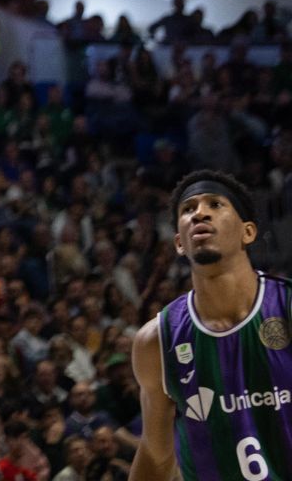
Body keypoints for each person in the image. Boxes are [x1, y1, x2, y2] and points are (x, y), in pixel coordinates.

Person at [130, 170, 292, 481]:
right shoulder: (157, 340)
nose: (199, 213)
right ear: (179, 243)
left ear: (248, 232)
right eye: (188, 209)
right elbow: (155, 455)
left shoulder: (286, 307)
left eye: (215, 204)